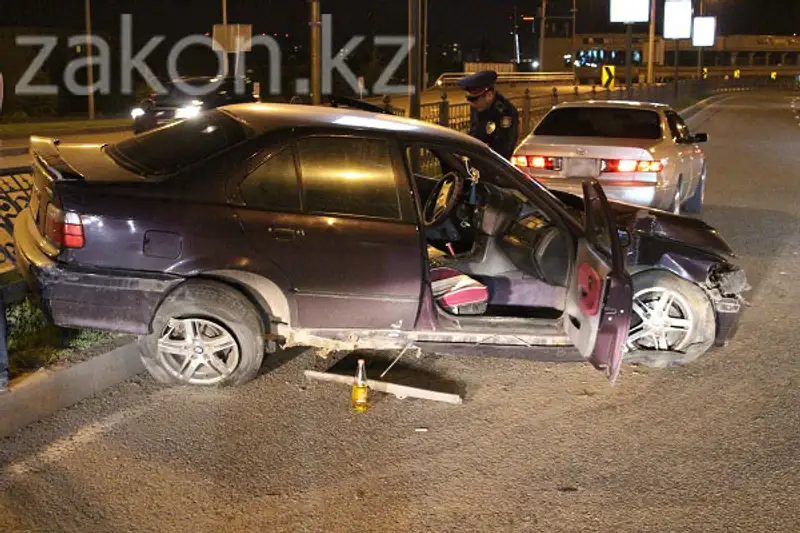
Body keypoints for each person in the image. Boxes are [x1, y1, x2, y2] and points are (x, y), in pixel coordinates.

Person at [457, 70, 519, 160]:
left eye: (475, 100)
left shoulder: (505, 112)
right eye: (470, 100)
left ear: (489, 95)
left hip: (494, 164)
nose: (472, 105)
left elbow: (504, 146)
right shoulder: (478, 106)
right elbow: (475, 132)